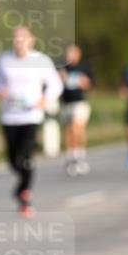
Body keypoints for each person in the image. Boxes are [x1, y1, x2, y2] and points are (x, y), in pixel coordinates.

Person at [0, 26, 63, 216]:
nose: (19, 42)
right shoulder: (4, 59)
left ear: (32, 40)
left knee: (26, 156)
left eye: (23, 38)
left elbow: (56, 84)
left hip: (31, 116)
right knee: (13, 161)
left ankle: (24, 194)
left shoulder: (41, 60)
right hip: (9, 116)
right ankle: (21, 187)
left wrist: (45, 100)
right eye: (16, 38)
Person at [57, 44, 95, 176]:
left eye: (73, 53)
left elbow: (89, 83)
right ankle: (71, 157)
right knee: (69, 131)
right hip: (66, 103)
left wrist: (79, 81)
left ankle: (80, 156)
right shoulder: (62, 68)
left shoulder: (84, 67)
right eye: (68, 53)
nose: (70, 55)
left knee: (76, 128)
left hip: (80, 102)